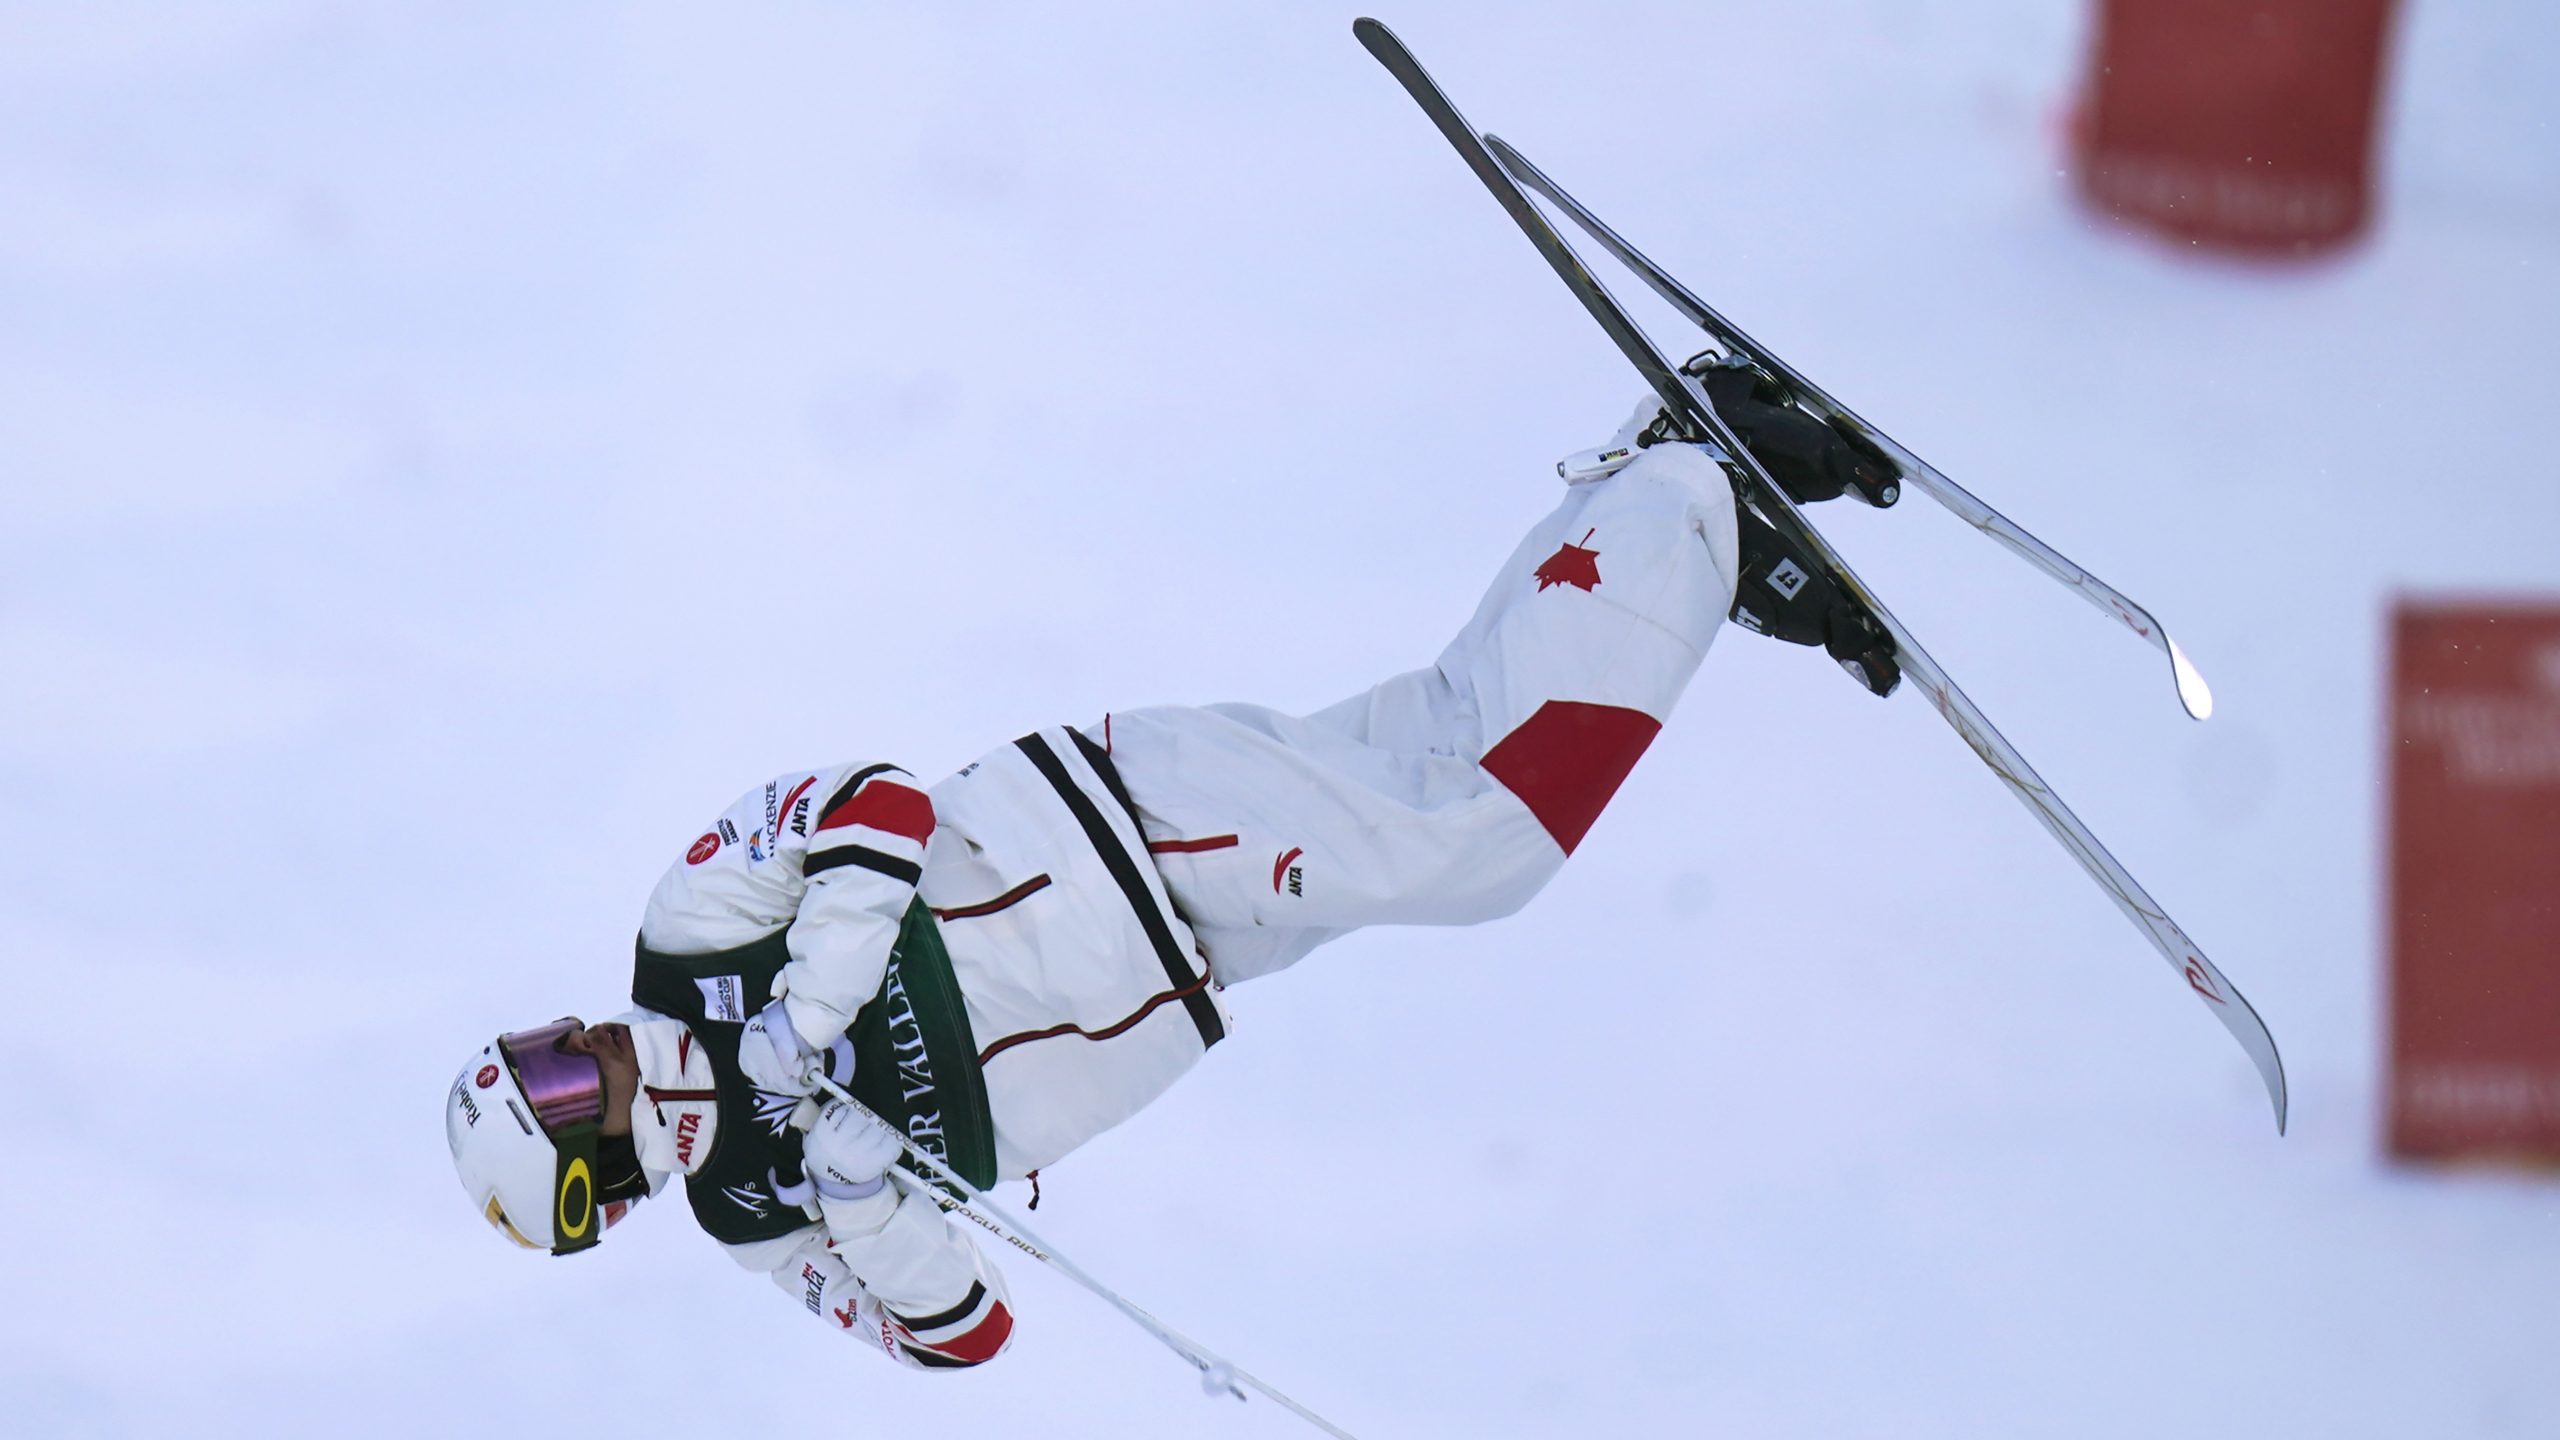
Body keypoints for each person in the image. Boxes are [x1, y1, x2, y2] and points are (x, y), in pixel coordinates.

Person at [442, 376, 1886, 1371]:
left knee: (1480, 843)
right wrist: (867, 1199)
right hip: (1189, 962)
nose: (587, 1052)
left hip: (1118, 828)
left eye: (550, 1049)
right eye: (568, 1095)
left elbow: (870, 805)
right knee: (1455, 742)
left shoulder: (689, 939)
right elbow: (961, 1339)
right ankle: (1662, 508)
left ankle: (1696, 485)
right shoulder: (759, 1216)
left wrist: (811, 1008)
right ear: (606, 1179)